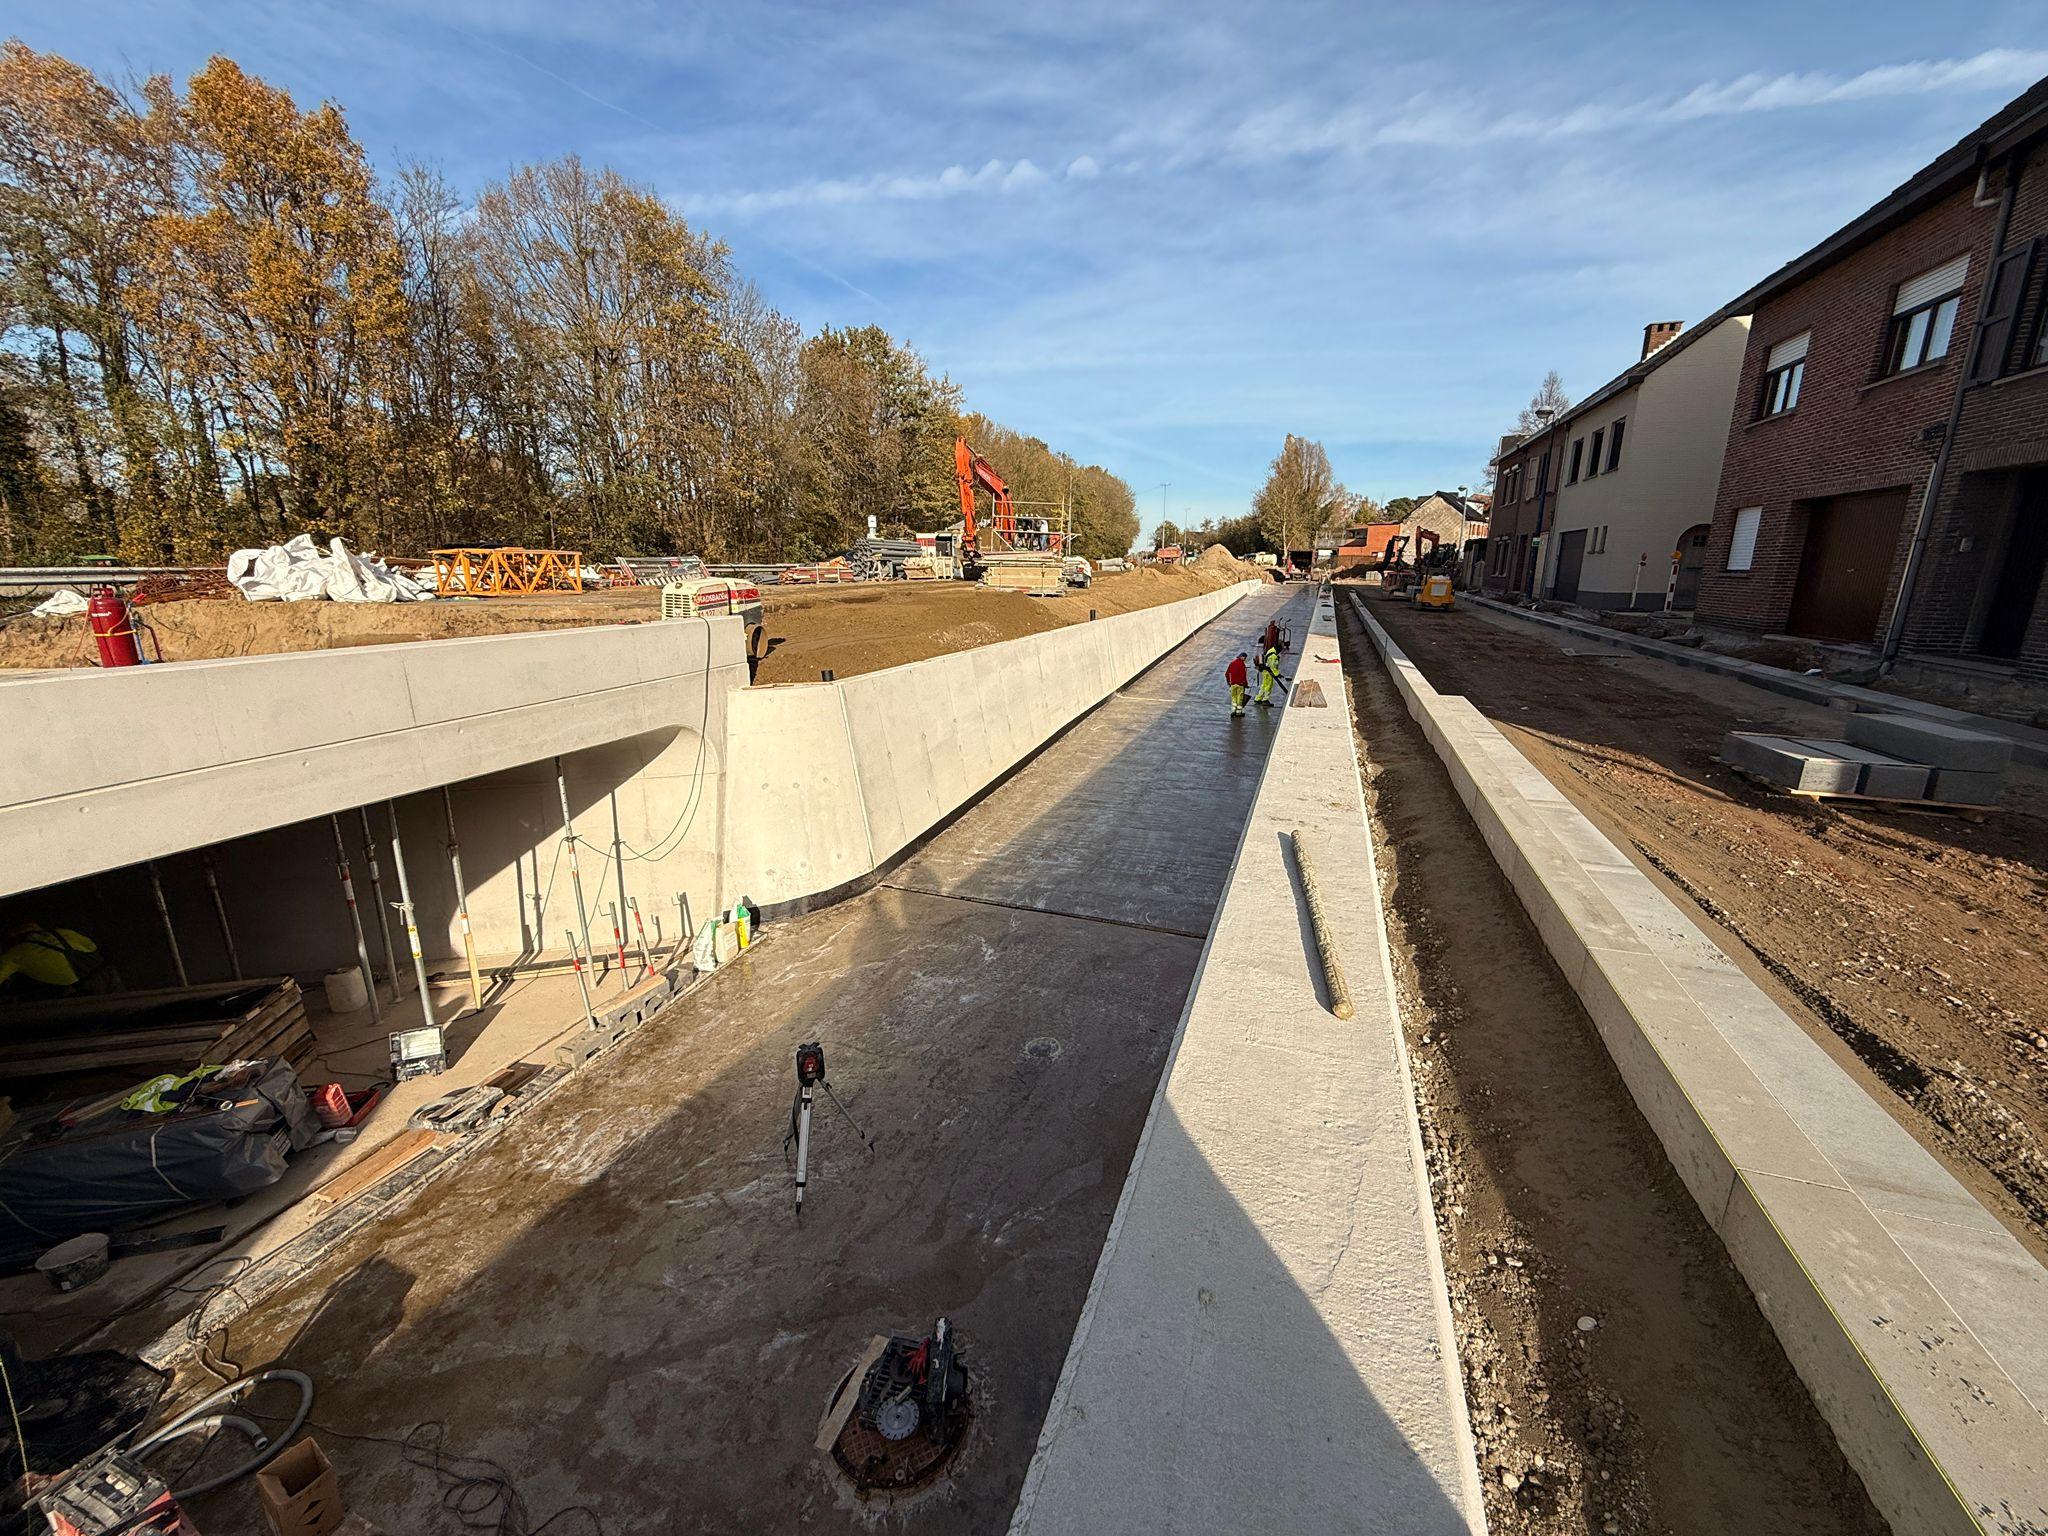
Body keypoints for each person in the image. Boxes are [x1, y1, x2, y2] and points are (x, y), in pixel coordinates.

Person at [0, 921, 115, 998]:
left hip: (77, 988)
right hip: (105, 972)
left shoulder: (18, 952)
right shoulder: (63, 932)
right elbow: (91, 946)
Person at [1253, 640, 1285, 707]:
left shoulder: (1271, 651)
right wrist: (1277, 674)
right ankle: (1265, 700)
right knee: (1268, 686)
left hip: (1265, 671)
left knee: (1264, 685)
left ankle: (1258, 698)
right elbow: (1272, 666)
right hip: (1269, 672)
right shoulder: (1273, 656)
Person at [1225, 651, 1250, 716]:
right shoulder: (1242, 665)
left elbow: (1226, 674)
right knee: (1240, 698)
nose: (1245, 659)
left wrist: (1229, 682)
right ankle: (1238, 712)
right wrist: (1246, 684)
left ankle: (1233, 711)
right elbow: (1243, 676)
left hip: (1233, 684)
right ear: (1243, 657)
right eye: (1245, 658)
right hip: (1240, 685)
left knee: (1233, 697)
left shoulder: (1232, 663)